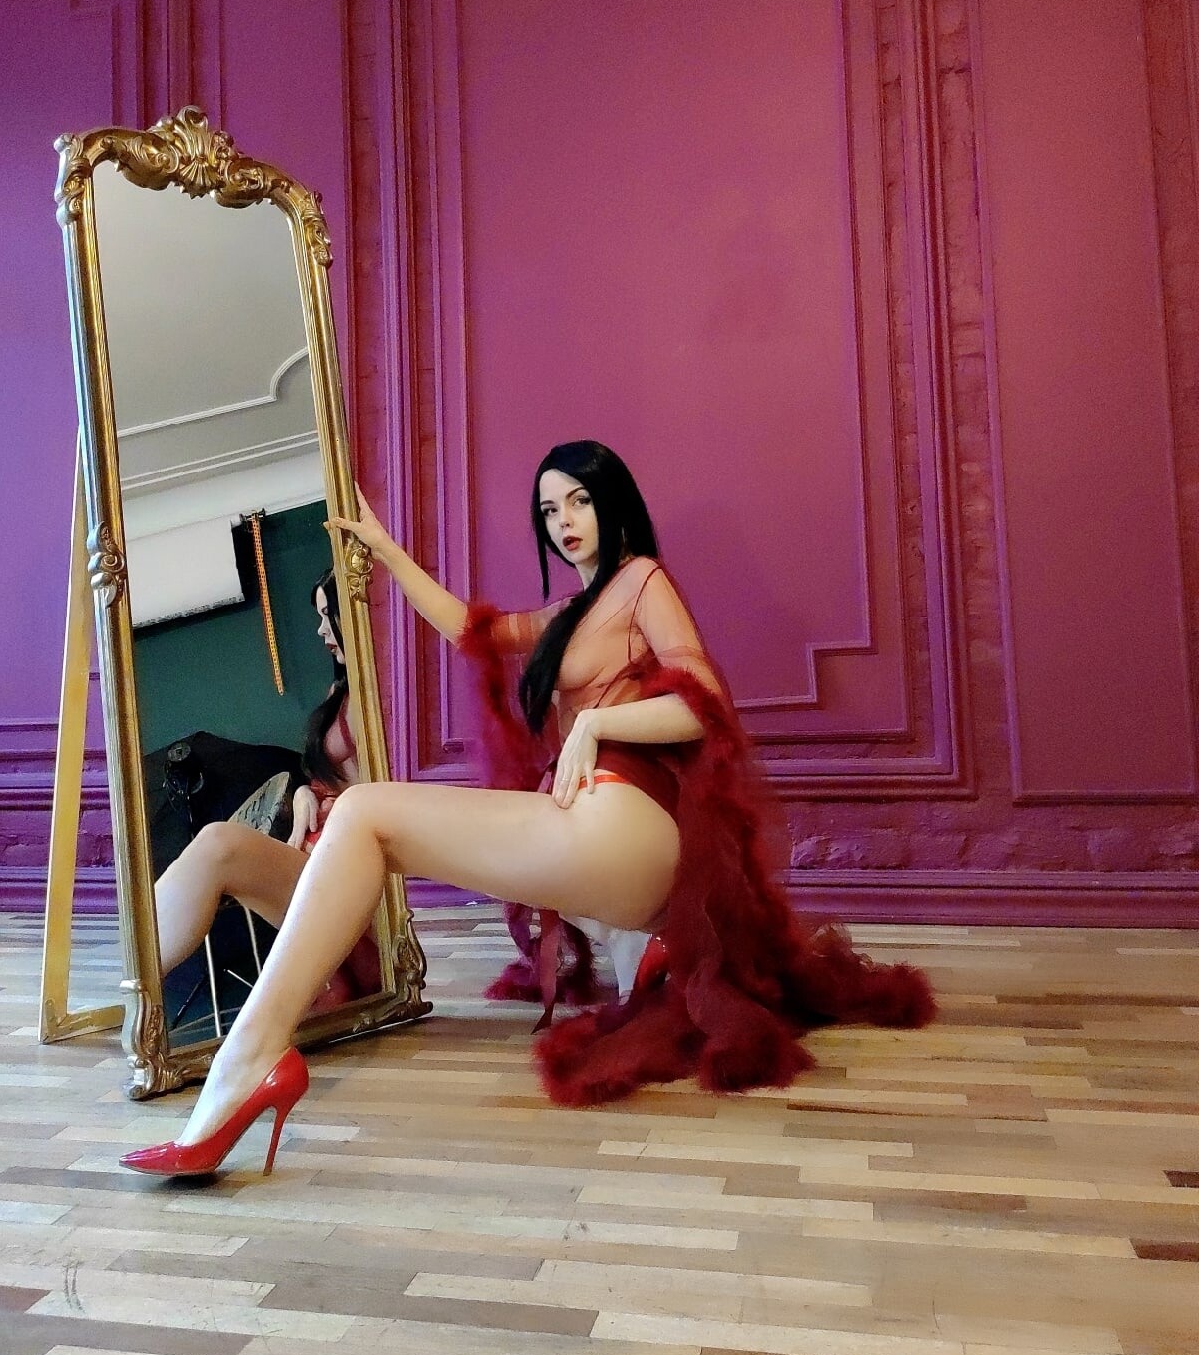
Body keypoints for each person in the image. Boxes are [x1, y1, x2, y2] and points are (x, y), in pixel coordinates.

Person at [121, 441, 935, 1179]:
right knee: (365, 820)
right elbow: (471, 629)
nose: (564, 521)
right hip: (607, 841)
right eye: (549, 510)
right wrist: (386, 550)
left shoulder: (642, 581)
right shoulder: (569, 616)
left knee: (363, 811)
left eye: (578, 499)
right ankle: (643, 949)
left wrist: (597, 726)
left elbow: (706, 704)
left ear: (612, 500)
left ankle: (247, 1063)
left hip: (624, 821)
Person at [152, 571, 373, 1005]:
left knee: (219, 843)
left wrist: (332, 802)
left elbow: (386, 793)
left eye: (328, 615)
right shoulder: (341, 691)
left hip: (359, 877)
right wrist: (308, 792)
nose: (320, 630)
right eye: (319, 617)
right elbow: (332, 777)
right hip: (322, 859)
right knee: (216, 845)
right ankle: (134, 972)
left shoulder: (385, 690)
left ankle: (131, 977)